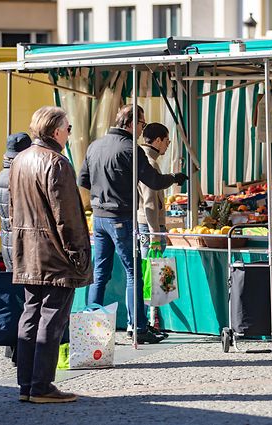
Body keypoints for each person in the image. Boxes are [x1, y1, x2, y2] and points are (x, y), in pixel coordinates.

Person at [78, 104, 187, 344]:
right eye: (141, 124)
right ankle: (138, 327)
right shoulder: (130, 149)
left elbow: (83, 180)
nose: (142, 129)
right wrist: (175, 178)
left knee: (100, 274)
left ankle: (90, 327)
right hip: (121, 217)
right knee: (133, 273)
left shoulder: (95, 146)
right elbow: (154, 181)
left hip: (99, 217)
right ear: (130, 123)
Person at [11, 106, 92, 403]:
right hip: (54, 253)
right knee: (51, 319)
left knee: (31, 313)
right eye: (68, 129)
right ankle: (41, 385)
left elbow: (12, 209)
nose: (70, 134)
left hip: (28, 250)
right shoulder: (56, 162)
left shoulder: (20, 159)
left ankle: (27, 385)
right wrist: (77, 253)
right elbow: (67, 216)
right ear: (56, 131)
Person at [0, 131, 32, 364]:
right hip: (20, 243)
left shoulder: (2, 173)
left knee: (16, 296)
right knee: (24, 300)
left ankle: (13, 348)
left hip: (8, 243)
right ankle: (20, 349)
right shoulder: (17, 176)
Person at [138, 123, 172, 257]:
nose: (168, 145)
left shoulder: (142, 159)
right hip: (150, 225)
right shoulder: (150, 163)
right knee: (152, 272)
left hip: (146, 224)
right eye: (167, 141)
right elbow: (150, 201)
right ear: (158, 140)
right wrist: (155, 234)